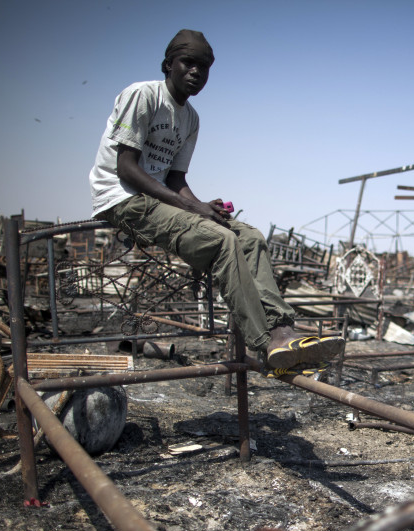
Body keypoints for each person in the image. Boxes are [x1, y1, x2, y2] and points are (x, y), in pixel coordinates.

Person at [89, 29, 343, 374]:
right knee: (222, 241)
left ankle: (284, 331)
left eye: (204, 67)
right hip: (123, 199)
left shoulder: (190, 118)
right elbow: (127, 168)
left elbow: (175, 180)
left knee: (250, 237)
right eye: (188, 63)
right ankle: (265, 344)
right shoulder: (143, 95)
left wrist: (203, 205)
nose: (196, 72)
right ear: (168, 65)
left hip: (157, 199)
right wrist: (193, 210)